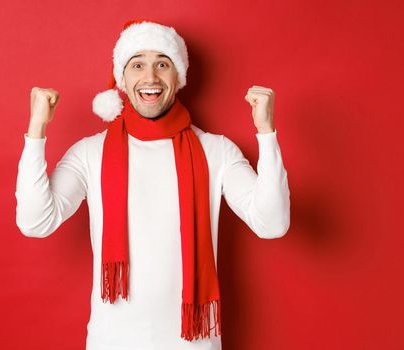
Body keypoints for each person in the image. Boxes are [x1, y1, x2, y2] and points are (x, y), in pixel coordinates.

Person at [15, 20, 290, 350]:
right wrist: (36, 131)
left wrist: (267, 133)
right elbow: (35, 222)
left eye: (162, 63)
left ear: (179, 76)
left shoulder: (216, 151)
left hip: (193, 343)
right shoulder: (90, 152)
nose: (150, 78)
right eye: (137, 65)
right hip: (112, 342)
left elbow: (272, 224)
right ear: (122, 78)